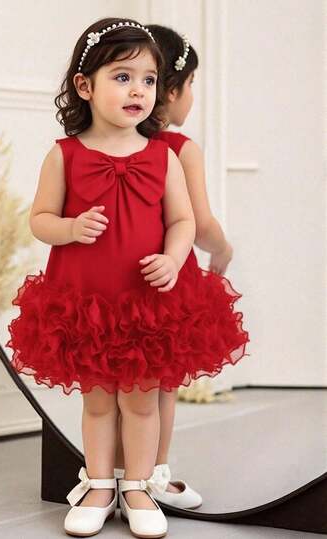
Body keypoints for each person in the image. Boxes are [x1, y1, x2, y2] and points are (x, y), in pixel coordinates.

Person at [5, 16, 250, 538]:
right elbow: (39, 219)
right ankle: (99, 485)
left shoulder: (163, 156)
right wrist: (70, 228)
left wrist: (174, 258)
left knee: (141, 400)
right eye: (122, 77)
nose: (139, 90)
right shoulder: (64, 155)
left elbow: (183, 220)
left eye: (149, 79)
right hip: (87, 301)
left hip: (145, 302)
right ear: (85, 86)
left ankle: (137, 486)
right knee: (97, 402)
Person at [113, 23, 251, 512]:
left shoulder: (108, 143)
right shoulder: (177, 148)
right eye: (190, 84)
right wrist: (223, 250)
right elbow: (200, 222)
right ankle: (153, 474)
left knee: (114, 383)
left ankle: (114, 473)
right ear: (172, 90)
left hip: (116, 277)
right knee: (161, 386)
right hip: (165, 283)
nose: (191, 95)